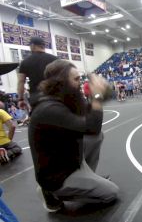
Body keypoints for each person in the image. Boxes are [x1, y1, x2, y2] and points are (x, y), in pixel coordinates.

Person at [29, 60, 119, 212]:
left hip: (69, 161)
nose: (80, 82)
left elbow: (92, 121)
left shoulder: (67, 98)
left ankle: (86, 180)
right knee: (111, 193)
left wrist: (102, 89)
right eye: (76, 79)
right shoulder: (48, 109)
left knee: (95, 138)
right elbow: (92, 126)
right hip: (57, 176)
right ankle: (51, 194)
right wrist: (96, 95)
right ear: (62, 82)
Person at [17, 37, 57, 109]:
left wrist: (21, 99)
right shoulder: (55, 59)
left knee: (39, 119)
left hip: (37, 97)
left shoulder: (25, 62)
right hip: (55, 96)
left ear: (32, 46)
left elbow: (21, 81)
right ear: (43, 46)